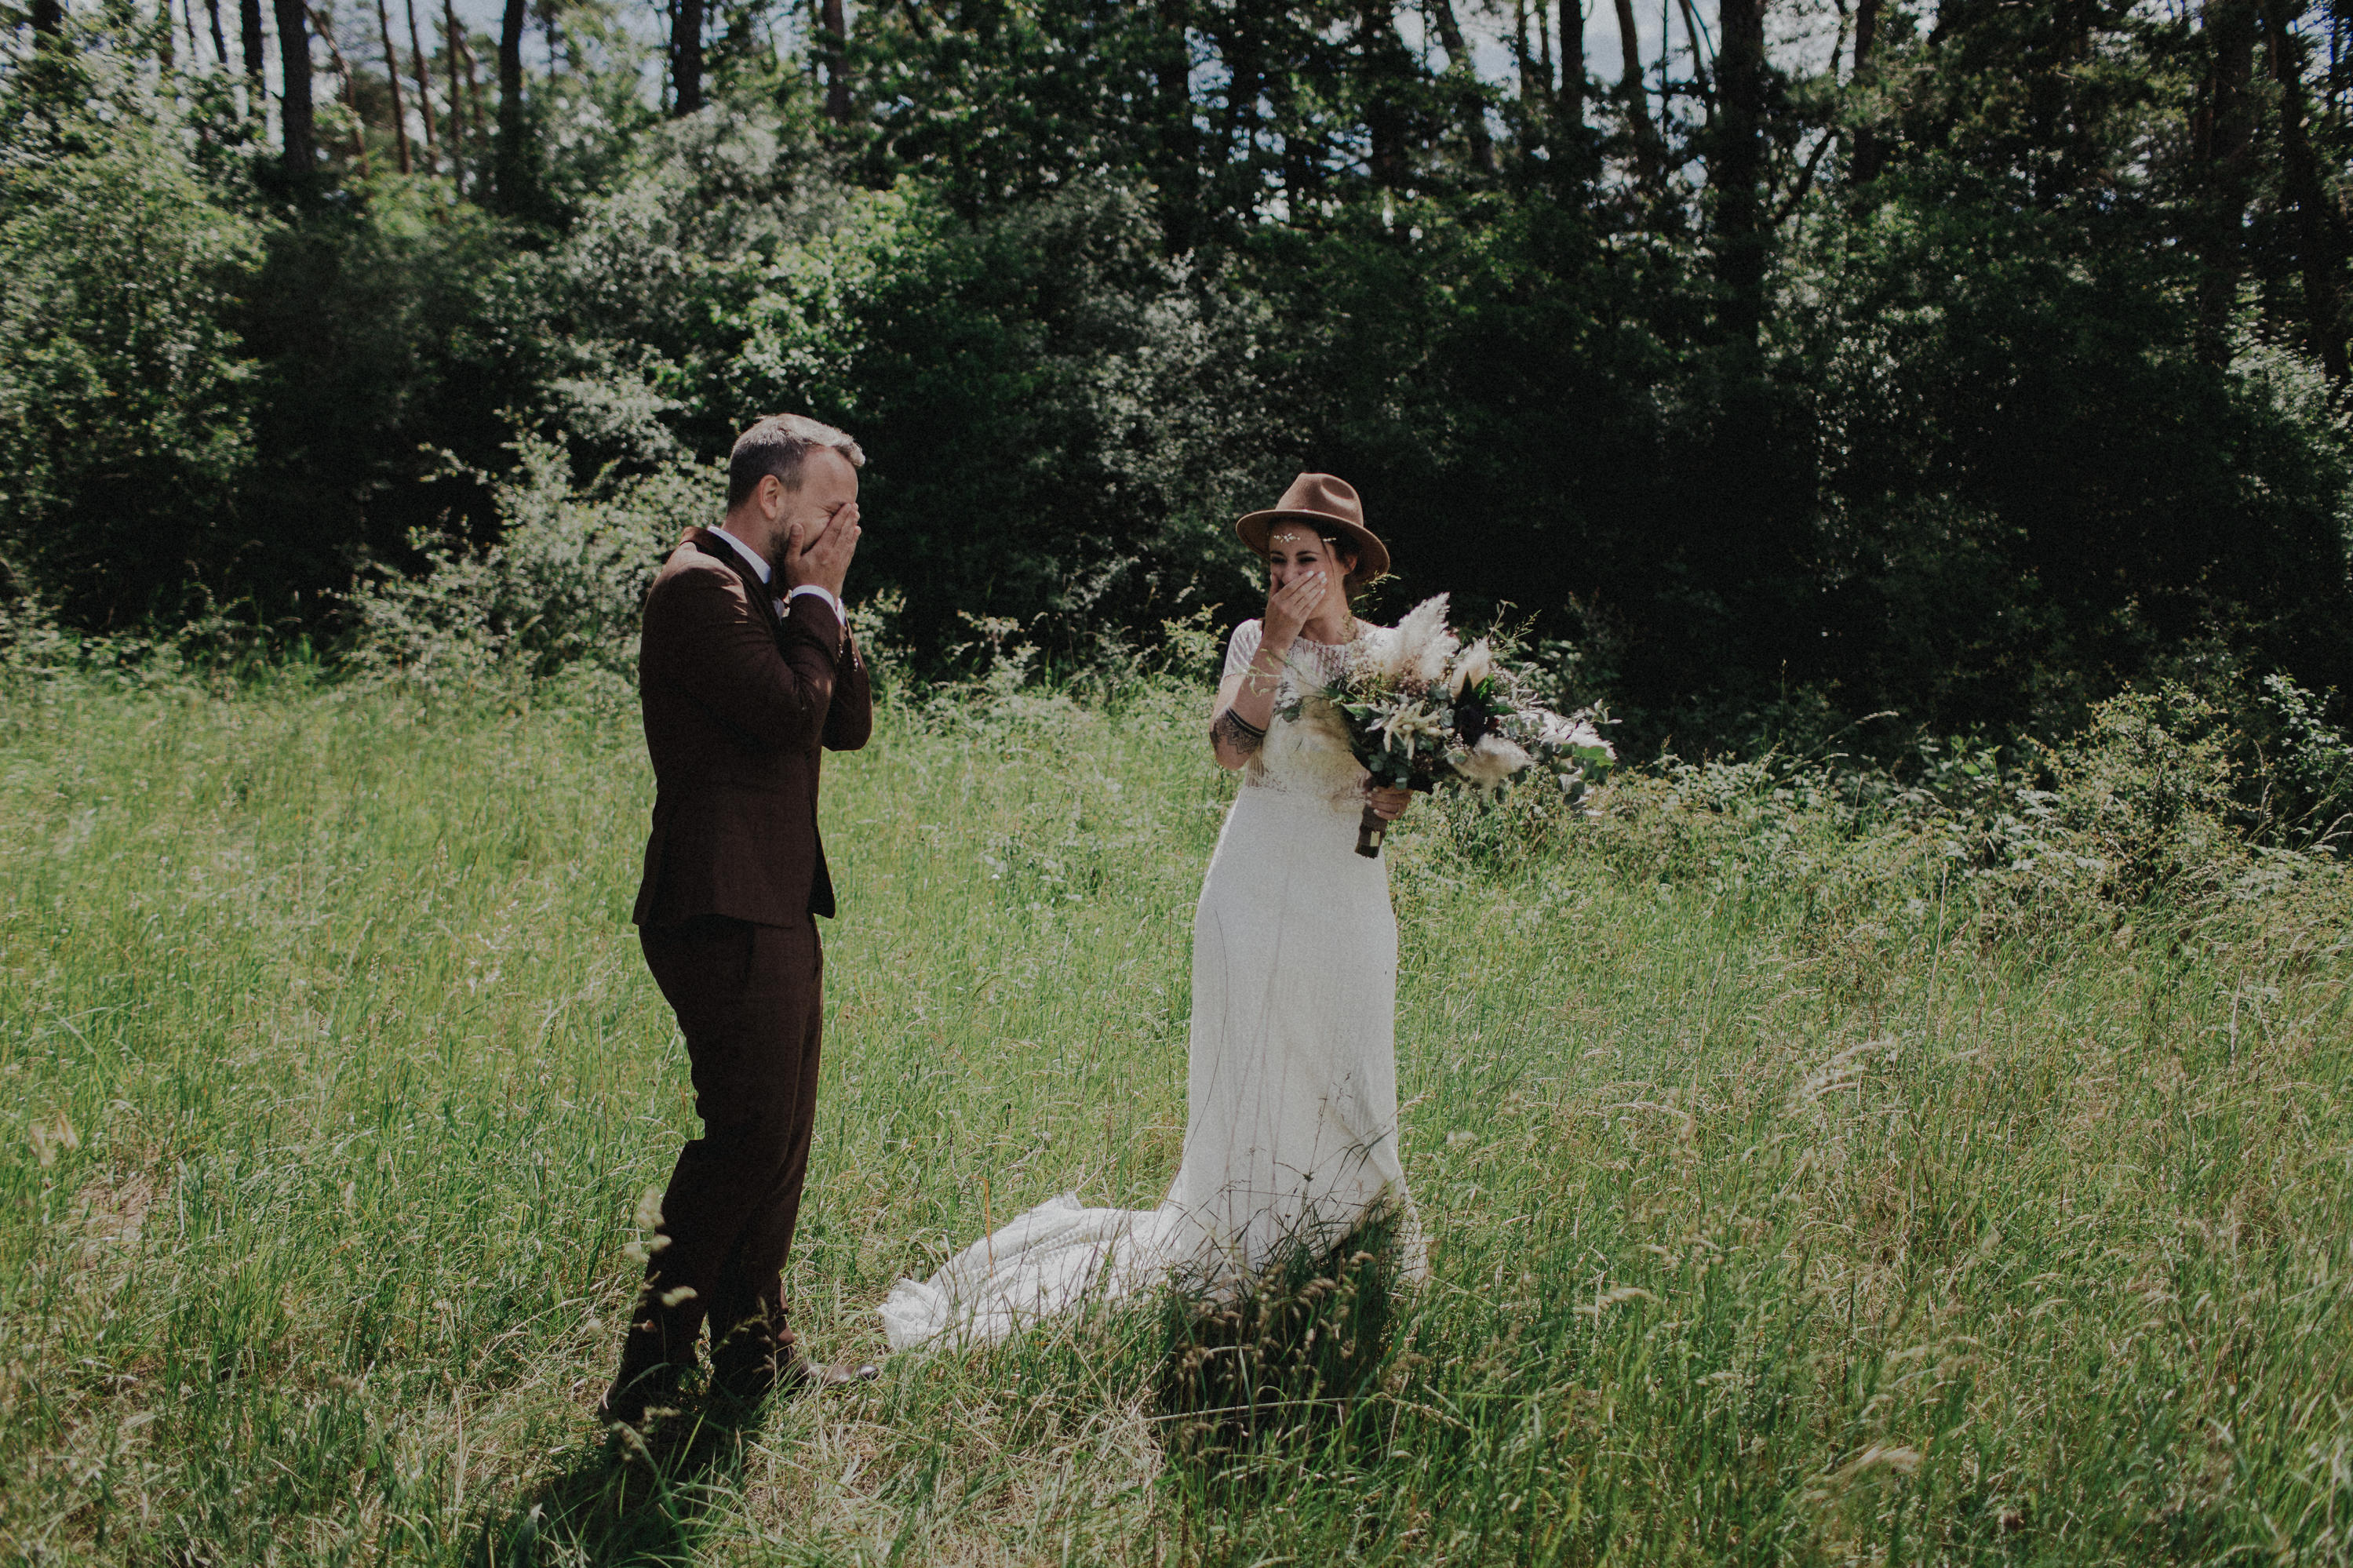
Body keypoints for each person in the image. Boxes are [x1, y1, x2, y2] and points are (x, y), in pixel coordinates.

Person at [880, 472, 1425, 1351]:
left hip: (1344, 889)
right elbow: (1227, 749)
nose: (1286, 576)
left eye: (1306, 559)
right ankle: (1243, 1239)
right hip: (1251, 882)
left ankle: (1346, 1232)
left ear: (1347, 562)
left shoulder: (1393, 653)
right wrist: (1276, 646)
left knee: (1347, 1059)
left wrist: (1395, 796)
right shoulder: (1255, 635)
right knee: (1248, 1059)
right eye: (1275, 560)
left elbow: (1394, 773)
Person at [599, 414, 877, 1427]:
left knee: (782, 1137)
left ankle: (755, 1358)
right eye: (831, 506)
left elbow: (845, 722)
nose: (847, 526)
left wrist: (819, 597)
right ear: (773, 497)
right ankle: (647, 1371)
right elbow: (784, 710)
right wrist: (819, 596)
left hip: (776, 896)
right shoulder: (696, 588)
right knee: (744, 1137)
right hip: (715, 902)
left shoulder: (778, 590)